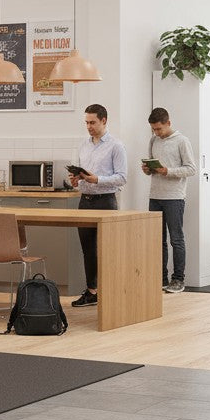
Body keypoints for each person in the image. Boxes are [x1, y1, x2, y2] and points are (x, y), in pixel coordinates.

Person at [69, 104, 127, 307]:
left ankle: (111, 290)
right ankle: (92, 291)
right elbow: (83, 175)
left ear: (104, 121)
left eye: (92, 122)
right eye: (86, 122)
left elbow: (121, 178)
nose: (89, 126)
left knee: (107, 249)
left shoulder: (116, 146)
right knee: (88, 250)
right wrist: (76, 180)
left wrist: (97, 180)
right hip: (85, 201)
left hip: (105, 201)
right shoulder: (83, 145)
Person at [143, 107, 197, 293]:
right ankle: (161, 278)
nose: (157, 133)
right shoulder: (153, 140)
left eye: (159, 129)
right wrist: (148, 169)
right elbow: (152, 164)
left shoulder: (182, 141)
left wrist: (168, 171)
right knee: (158, 240)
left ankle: (178, 279)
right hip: (155, 196)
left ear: (168, 123)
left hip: (174, 197)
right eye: (154, 129)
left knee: (176, 239)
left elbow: (191, 169)